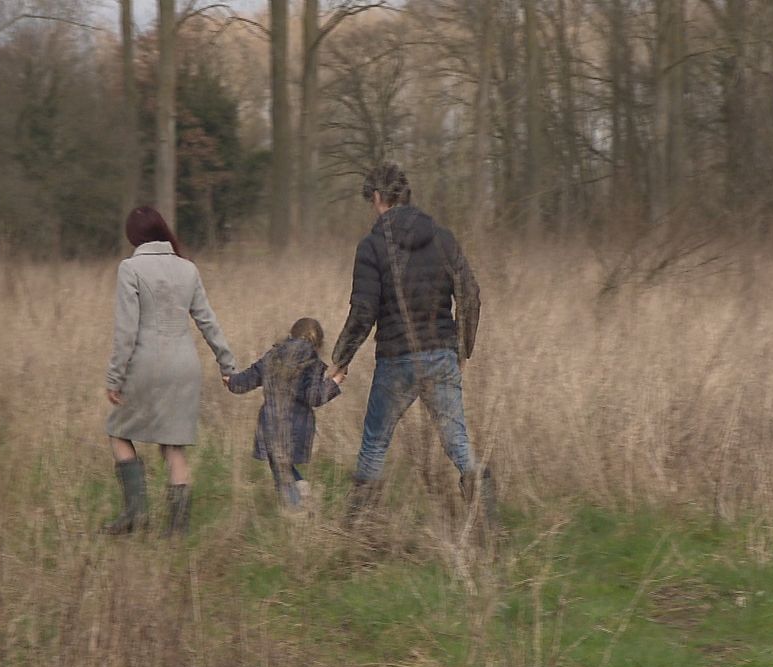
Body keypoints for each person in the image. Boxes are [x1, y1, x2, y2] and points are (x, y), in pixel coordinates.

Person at [330, 161, 494, 529]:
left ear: (376, 197)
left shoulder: (372, 246)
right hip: (441, 354)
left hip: (396, 360)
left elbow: (364, 311)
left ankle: (354, 531)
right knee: (458, 442)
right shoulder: (443, 238)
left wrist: (340, 359)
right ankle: (488, 526)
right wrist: (462, 348)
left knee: (374, 442)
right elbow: (470, 297)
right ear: (406, 195)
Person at [104, 206, 237, 537]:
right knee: (172, 446)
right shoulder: (187, 269)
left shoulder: (130, 268)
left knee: (119, 433)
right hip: (184, 367)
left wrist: (114, 377)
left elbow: (126, 331)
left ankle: (136, 514)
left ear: (134, 236)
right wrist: (227, 364)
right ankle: (177, 531)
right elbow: (208, 320)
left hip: (146, 366)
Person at [225, 318, 346, 508]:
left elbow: (244, 382)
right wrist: (335, 382)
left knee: (280, 470)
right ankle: (301, 488)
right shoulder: (313, 362)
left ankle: (296, 509)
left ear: (291, 334)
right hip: (299, 428)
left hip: (271, 424)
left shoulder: (272, 356)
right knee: (284, 466)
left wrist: (231, 381)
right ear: (318, 343)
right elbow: (314, 397)